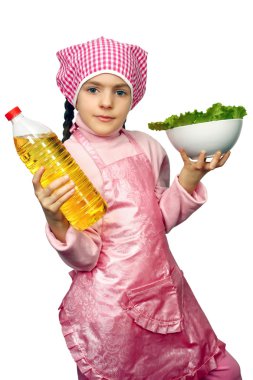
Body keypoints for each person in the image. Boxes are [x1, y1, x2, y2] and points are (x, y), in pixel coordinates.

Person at [32, 37, 242, 379]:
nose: (106, 103)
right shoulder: (68, 161)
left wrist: (188, 178)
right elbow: (86, 258)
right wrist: (56, 220)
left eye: (120, 91)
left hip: (164, 289)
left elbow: (157, 220)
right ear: (73, 93)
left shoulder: (147, 145)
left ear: (133, 98)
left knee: (223, 370)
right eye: (93, 89)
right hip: (111, 308)